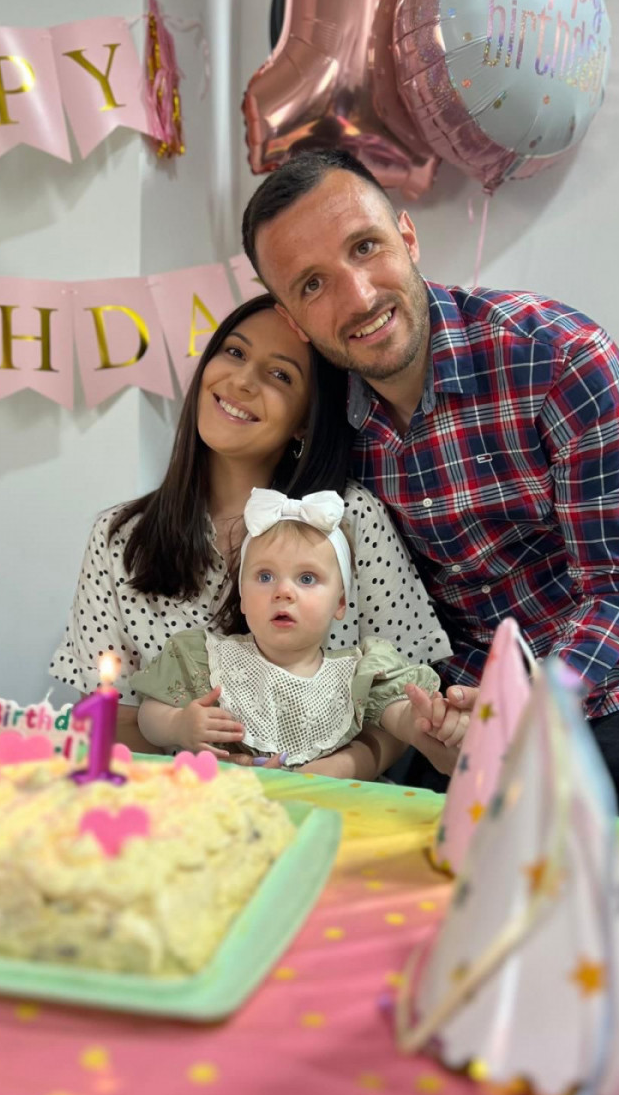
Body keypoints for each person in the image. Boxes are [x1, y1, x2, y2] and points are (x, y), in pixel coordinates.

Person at [241, 147, 619, 824]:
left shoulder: (559, 357)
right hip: (473, 707)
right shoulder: (325, 427)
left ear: (407, 236)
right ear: (293, 320)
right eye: (312, 284)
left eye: (366, 247)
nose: (359, 296)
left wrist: (524, 707)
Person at [51, 293, 462, 779]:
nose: (243, 381)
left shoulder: (350, 517)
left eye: (280, 375)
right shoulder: (121, 537)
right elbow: (112, 716)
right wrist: (192, 751)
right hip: (178, 802)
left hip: (329, 804)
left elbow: (402, 699)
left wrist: (335, 769)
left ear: (305, 420)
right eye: (235, 352)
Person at [131, 488, 468, 772]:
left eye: (307, 578)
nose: (283, 591)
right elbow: (149, 713)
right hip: (232, 806)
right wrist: (177, 725)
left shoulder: (358, 673)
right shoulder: (208, 660)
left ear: (340, 603)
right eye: (265, 576)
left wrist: (425, 720)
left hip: (329, 811)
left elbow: (400, 716)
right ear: (243, 597)